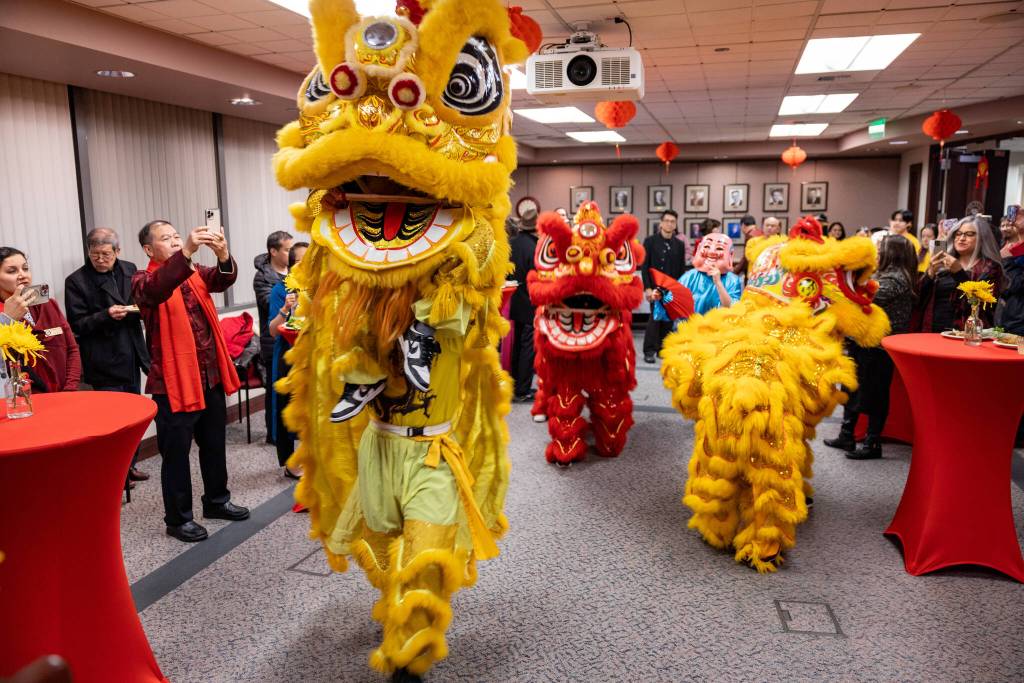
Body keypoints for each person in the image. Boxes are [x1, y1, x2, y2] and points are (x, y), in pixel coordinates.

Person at [132, 220, 249, 543]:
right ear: (148, 249)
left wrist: (224, 255)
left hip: (208, 375)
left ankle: (216, 501)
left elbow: (223, 280)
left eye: (175, 236)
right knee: (176, 454)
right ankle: (178, 518)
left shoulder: (194, 272)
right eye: (166, 239)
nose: (173, 241)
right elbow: (159, 287)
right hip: (174, 382)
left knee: (213, 445)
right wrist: (185, 251)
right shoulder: (143, 280)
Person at [64, 228, 151, 483]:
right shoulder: (77, 281)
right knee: (114, 419)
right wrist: (105, 315)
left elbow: (142, 300)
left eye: (106, 254)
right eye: (95, 254)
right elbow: (77, 325)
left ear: (117, 251)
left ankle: (130, 465)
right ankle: (116, 474)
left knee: (134, 414)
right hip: (103, 356)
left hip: (132, 351)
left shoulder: (129, 268)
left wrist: (137, 309)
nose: (100, 259)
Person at [824, 235, 916, 459]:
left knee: (874, 395)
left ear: (891, 252)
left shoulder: (895, 279)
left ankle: (872, 443)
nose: (877, 251)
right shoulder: (887, 276)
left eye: (880, 247)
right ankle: (847, 434)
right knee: (852, 388)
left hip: (879, 346)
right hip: (865, 342)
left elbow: (863, 299)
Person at [0, 247, 80, 393]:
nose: (22, 275)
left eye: (25, 268)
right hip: (24, 400)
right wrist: (8, 319)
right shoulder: (3, 316)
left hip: (64, 394)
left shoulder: (48, 304)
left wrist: (70, 389)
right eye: (12, 271)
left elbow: (72, 349)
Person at [917, 215, 1003, 332]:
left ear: (982, 238)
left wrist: (959, 273)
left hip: (967, 334)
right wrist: (930, 274)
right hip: (933, 329)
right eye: (958, 234)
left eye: (969, 234)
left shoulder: (990, 267)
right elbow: (919, 298)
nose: (961, 238)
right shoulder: (944, 261)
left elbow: (984, 305)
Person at [268, 241, 308, 480]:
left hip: (315, 353)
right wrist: (285, 308)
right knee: (287, 409)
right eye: (301, 261)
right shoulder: (281, 289)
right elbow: (273, 330)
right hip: (288, 354)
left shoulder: (322, 286)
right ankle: (291, 463)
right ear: (292, 265)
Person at [254, 230, 293, 443]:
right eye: (287, 250)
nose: (291, 254)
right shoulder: (263, 277)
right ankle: (274, 435)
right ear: (273, 251)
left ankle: (290, 430)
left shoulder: (291, 272)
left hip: (293, 339)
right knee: (274, 390)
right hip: (273, 341)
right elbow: (271, 305)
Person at [656, 233, 741, 323]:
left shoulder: (732, 280)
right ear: (699, 249)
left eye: (719, 248)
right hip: (690, 331)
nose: (711, 252)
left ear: (730, 254)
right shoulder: (689, 277)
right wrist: (661, 297)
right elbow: (674, 304)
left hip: (720, 332)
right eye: (707, 246)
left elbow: (731, 310)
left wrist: (718, 283)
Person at [641, 209, 686, 363]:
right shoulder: (650, 241)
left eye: (672, 222)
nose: (669, 224)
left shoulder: (679, 245)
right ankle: (649, 350)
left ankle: (662, 348)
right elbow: (645, 266)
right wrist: (647, 288)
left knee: (667, 320)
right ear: (661, 223)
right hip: (654, 287)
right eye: (666, 221)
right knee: (655, 318)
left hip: (671, 288)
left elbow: (681, 269)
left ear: (675, 225)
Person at [509, 206, 539, 400]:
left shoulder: (512, 243)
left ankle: (515, 384)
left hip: (514, 300)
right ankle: (523, 389)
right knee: (528, 346)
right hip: (530, 302)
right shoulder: (535, 247)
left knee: (516, 345)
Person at [998, 206, 1024, 335]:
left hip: (1018, 325)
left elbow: (1015, 284)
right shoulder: (1010, 250)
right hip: (1008, 320)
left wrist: (1007, 260)